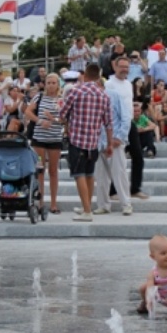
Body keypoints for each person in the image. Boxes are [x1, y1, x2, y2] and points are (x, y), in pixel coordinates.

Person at [59, 64, 112, 222]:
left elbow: (63, 114)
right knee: (90, 174)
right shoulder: (104, 95)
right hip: (93, 141)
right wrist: (109, 144)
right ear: (98, 76)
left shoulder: (76, 91)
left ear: (85, 75)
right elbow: (109, 123)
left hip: (77, 139)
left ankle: (87, 211)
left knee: (79, 175)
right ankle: (86, 206)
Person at [93, 82, 133, 216]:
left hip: (114, 140)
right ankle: (103, 205)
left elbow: (126, 117)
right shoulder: (90, 98)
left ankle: (126, 204)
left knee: (119, 174)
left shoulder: (115, 96)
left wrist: (120, 137)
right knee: (101, 176)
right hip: (98, 142)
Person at [26, 73, 63, 214]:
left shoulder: (61, 99)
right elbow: (28, 112)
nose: (51, 85)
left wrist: (53, 119)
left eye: (54, 82)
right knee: (40, 170)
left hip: (54, 138)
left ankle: (53, 203)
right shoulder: (39, 96)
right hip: (39, 138)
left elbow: (65, 119)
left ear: (58, 84)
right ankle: (40, 201)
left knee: (53, 171)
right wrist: (40, 121)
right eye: (49, 82)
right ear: (45, 84)